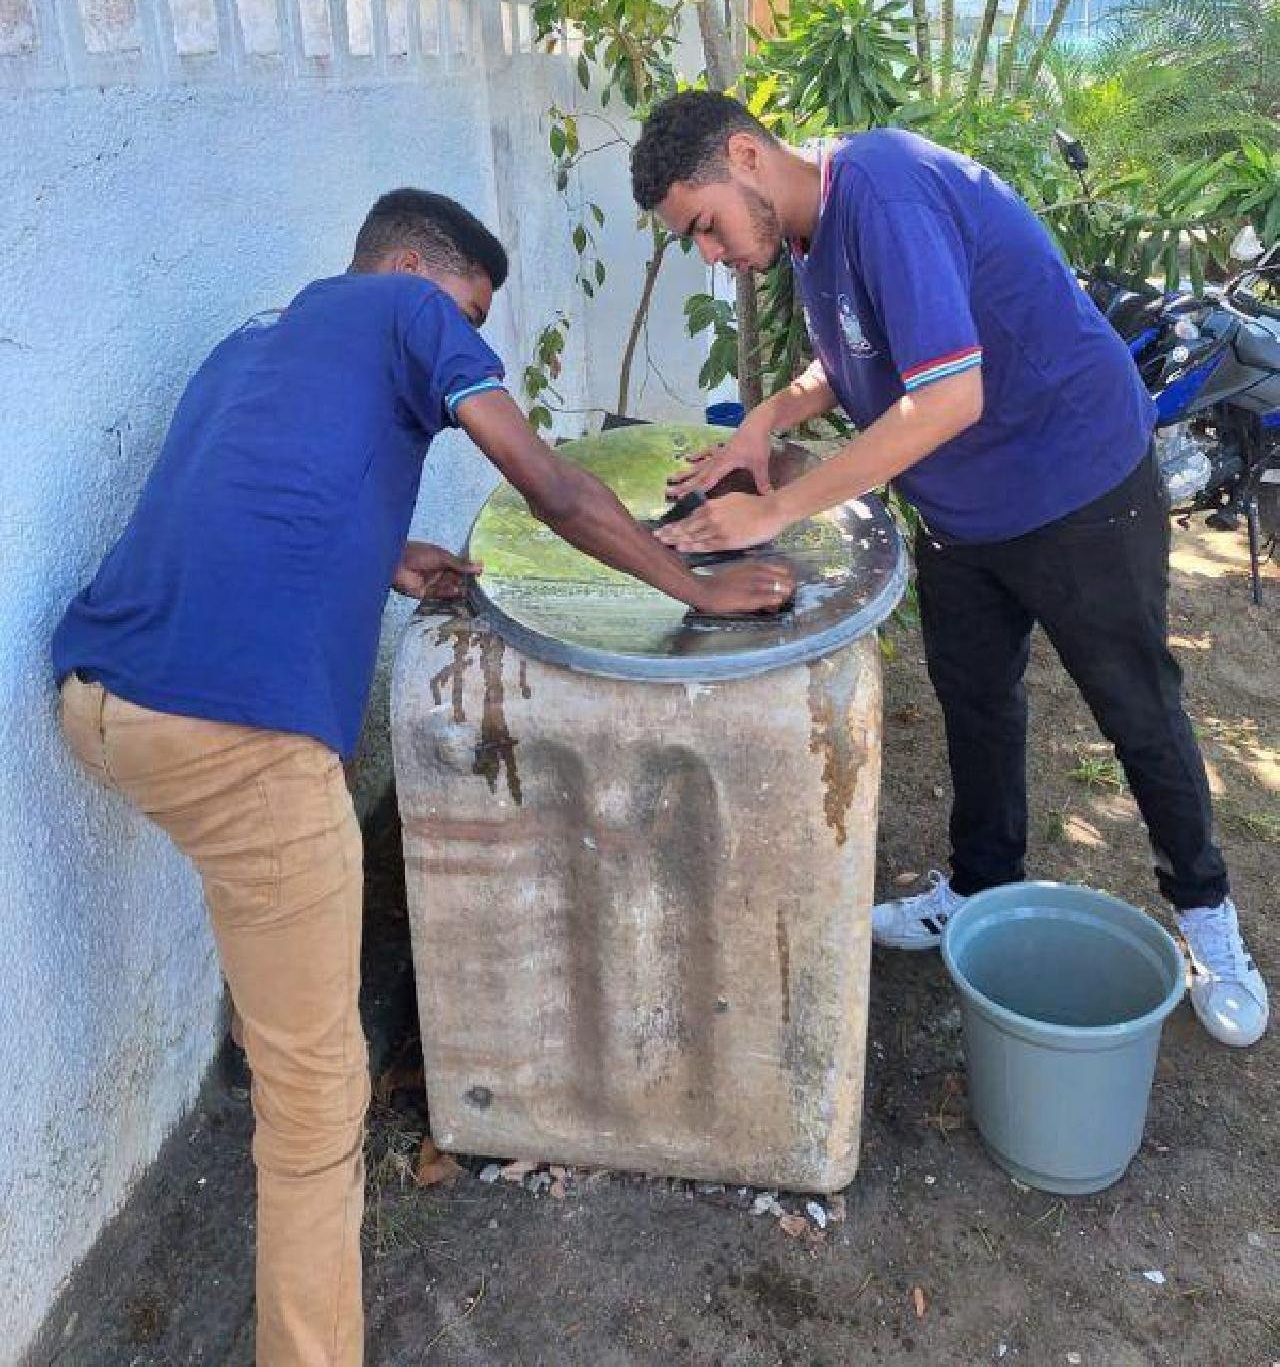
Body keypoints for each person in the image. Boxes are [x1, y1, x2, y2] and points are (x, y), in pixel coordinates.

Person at [52, 187, 794, 1367]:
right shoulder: (409, 310)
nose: (472, 332)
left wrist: (384, 552)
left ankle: (267, 1011)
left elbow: (235, 496)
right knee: (314, 1107)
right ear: (408, 266)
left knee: (258, 909)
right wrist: (696, 587)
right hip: (235, 737)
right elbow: (547, 483)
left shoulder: (250, 341)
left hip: (100, 702)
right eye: (472, 309)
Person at [630, 89, 1268, 1052]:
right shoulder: (807, 235)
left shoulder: (884, 194)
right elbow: (848, 366)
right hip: (963, 511)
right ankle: (979, 887)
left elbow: (946, 398)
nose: (713, 255)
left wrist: (773, 509)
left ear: (745, 156)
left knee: (1135, 707)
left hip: (1078, 484)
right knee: (975, 698)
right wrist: (764, 422)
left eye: (706, 228)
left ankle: (1210, 921)